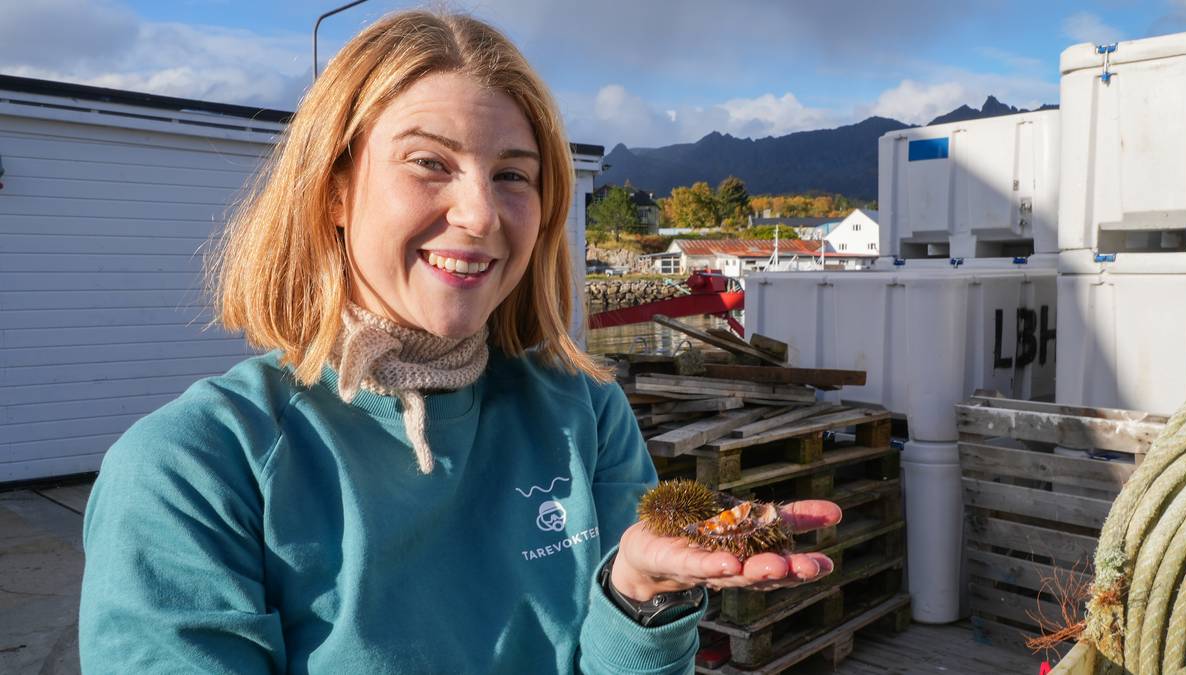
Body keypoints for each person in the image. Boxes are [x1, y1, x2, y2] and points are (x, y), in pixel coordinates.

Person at [78, 10, 841, 674]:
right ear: (334, 189)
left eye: (513, 173)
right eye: (428, 163)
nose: (480, 212)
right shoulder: (191, 469)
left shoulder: (585, 412)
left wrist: (636, 595)